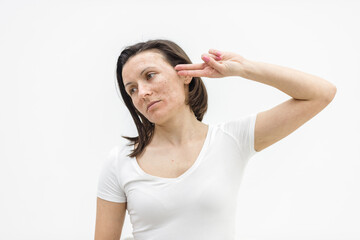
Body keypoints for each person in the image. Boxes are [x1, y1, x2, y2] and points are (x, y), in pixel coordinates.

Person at [94, 39, 336, 240]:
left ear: (185, 74)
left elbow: (321, 94)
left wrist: (244, 68)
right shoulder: (121, 161)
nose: (142, 93)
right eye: (132, 89)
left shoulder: (232, 139)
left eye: (150, 76)